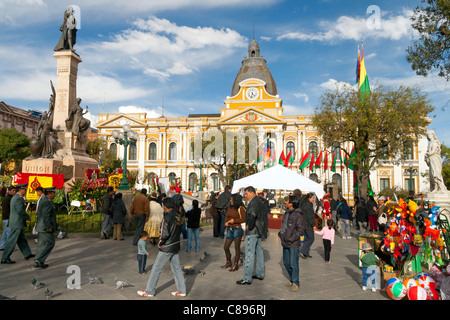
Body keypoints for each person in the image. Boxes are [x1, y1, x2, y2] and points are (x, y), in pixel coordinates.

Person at [138, 197, 186, 297]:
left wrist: (160, 244)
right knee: (176, 268)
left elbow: (164, 234)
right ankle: (182, 290)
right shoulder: (177, 216)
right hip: (175, 244)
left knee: (156, 269)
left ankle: (149, 291)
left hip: (167, 246)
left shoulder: (166, 218)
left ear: (164, 207)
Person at [236, 186, 267, 285]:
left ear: (252, 193)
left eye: (246, 194)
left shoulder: (254, 202)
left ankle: (246, 277)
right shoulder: (259, 201)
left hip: (253, 231)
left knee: (249, 253)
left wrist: (249, 226)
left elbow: (252, 215)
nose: (245, 196)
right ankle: (260, 273)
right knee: (259, 252)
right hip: (259, 230)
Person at [1, 184, 35, 264]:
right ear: (21, 190)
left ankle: (27, 254)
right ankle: (5, 258)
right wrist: (27, 217)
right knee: (12, 241)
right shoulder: (18, 198)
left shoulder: (15, 197)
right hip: (17, 223)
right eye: (25, 190)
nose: (26, 191)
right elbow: (20, 210)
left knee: (21, 239)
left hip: (15, 222)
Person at [279, 194, 304, 291]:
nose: (286, 202)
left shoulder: (298, 215)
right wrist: (281, 234)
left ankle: (296, 282)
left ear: (292, 204)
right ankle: (292, 279)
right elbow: (284, 225)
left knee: (294, 264)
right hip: (285, 241)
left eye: (288, 201)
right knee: (286, 263)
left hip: (293, 243)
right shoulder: (287, 213)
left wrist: (291, 238)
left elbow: (300, 230)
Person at [34, 186, 58, 269]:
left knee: (42, 244)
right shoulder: (47, 201)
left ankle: (38, 260)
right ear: (50, 193)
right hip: (45, 227)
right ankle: (39, 260)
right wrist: (48, 227)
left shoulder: (46, 200)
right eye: (54, 193)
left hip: (42, 226)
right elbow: (46, 215)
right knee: (50, 242)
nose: (55, 195)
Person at [222, 193, 246, 272]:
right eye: (230, 199)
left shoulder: (240, 208)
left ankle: (236, 264)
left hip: (237, 229)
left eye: (232, 199)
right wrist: (226, 222)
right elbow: (227, 216)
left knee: (237, 247)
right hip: (230, 228)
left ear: (236, 200)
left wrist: (234, 221)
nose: (230, 200)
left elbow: (243, 219)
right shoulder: (229, 207)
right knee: (226, 247)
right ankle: (228, 262)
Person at [299, 193, 316, 259]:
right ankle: (303, 251)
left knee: (306, 238)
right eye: (313, 198)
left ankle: (306, 253)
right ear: (309, 198)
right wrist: (313, 225)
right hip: (308, 225)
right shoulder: (308, 206)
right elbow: (310, 216)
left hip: (303, 223)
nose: (313, 199)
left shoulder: (304, 204)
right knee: (311, 238)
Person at [0, 186, 17, 251]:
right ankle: (9, 247)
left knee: (5, 232)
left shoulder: (10, 198)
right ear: (9, 191)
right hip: (8, 218)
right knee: (9, 233)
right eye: (13, 190)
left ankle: (2, 245)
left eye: (15, 191)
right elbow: (6, 210)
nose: (14, 192)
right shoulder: (7, 199)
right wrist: (11, 218)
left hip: (6, 218)